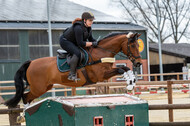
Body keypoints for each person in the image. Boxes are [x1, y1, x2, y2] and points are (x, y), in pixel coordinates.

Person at [59, 12, 98, 81]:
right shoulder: (78, 28)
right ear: (84, 20)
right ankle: (72, 74)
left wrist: (97, 42)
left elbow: (91, 39)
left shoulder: (88, 28)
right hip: (65, 41)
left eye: (92, 21)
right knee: (77, 53)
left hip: (74, 42)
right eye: (90, 20)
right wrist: (92, 44)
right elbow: (80, 43)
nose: (91, 22)